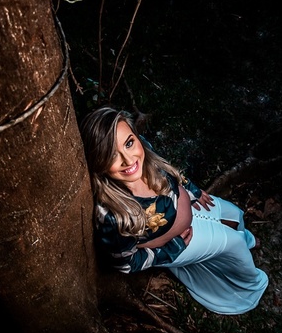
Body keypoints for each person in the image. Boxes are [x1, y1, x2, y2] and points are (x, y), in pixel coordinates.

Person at [80, 106, 268, 315]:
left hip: (188, 205)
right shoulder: (112, 217)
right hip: (179, 240)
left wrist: (191, 189)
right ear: (98, 162)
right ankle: (248, 288)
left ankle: (247, 239)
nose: (128, 160)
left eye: (129, 143)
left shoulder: (143, 150)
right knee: (233, 244)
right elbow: (125, 264)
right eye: (112, 155)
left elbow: (167, 169)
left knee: (233, 214)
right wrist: (171, 249)